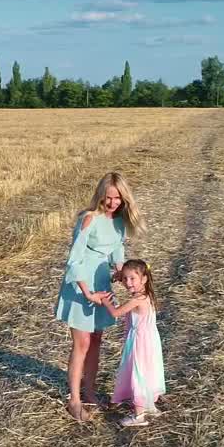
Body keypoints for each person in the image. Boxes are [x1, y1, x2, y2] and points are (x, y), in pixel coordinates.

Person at [54, 172, 143, 422]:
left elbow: (117, 251)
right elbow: (75, 258)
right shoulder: (88, 219)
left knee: (96, 341)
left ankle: (90, 392)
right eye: (109, 197)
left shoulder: (119, 222)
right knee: (81, 343)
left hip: (102, 284)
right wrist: (86, 292)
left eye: (118, 198)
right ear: (101, 194)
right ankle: (74, 400)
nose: (114, 202)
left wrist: (121, 274)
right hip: (80, 285)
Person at [99, 259, 166, 427]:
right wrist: (120, 277)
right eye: (125, 278)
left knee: (137, 374)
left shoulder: (137, 300)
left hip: (139, 342)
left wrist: (104, 299)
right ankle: (148, 404)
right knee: (148, 372)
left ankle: (138, 416)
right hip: (150, 341)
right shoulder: (147, 294)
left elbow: (116, 313)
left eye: (132, 279)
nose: (128, 283)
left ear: (143, 279)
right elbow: (131, 284)